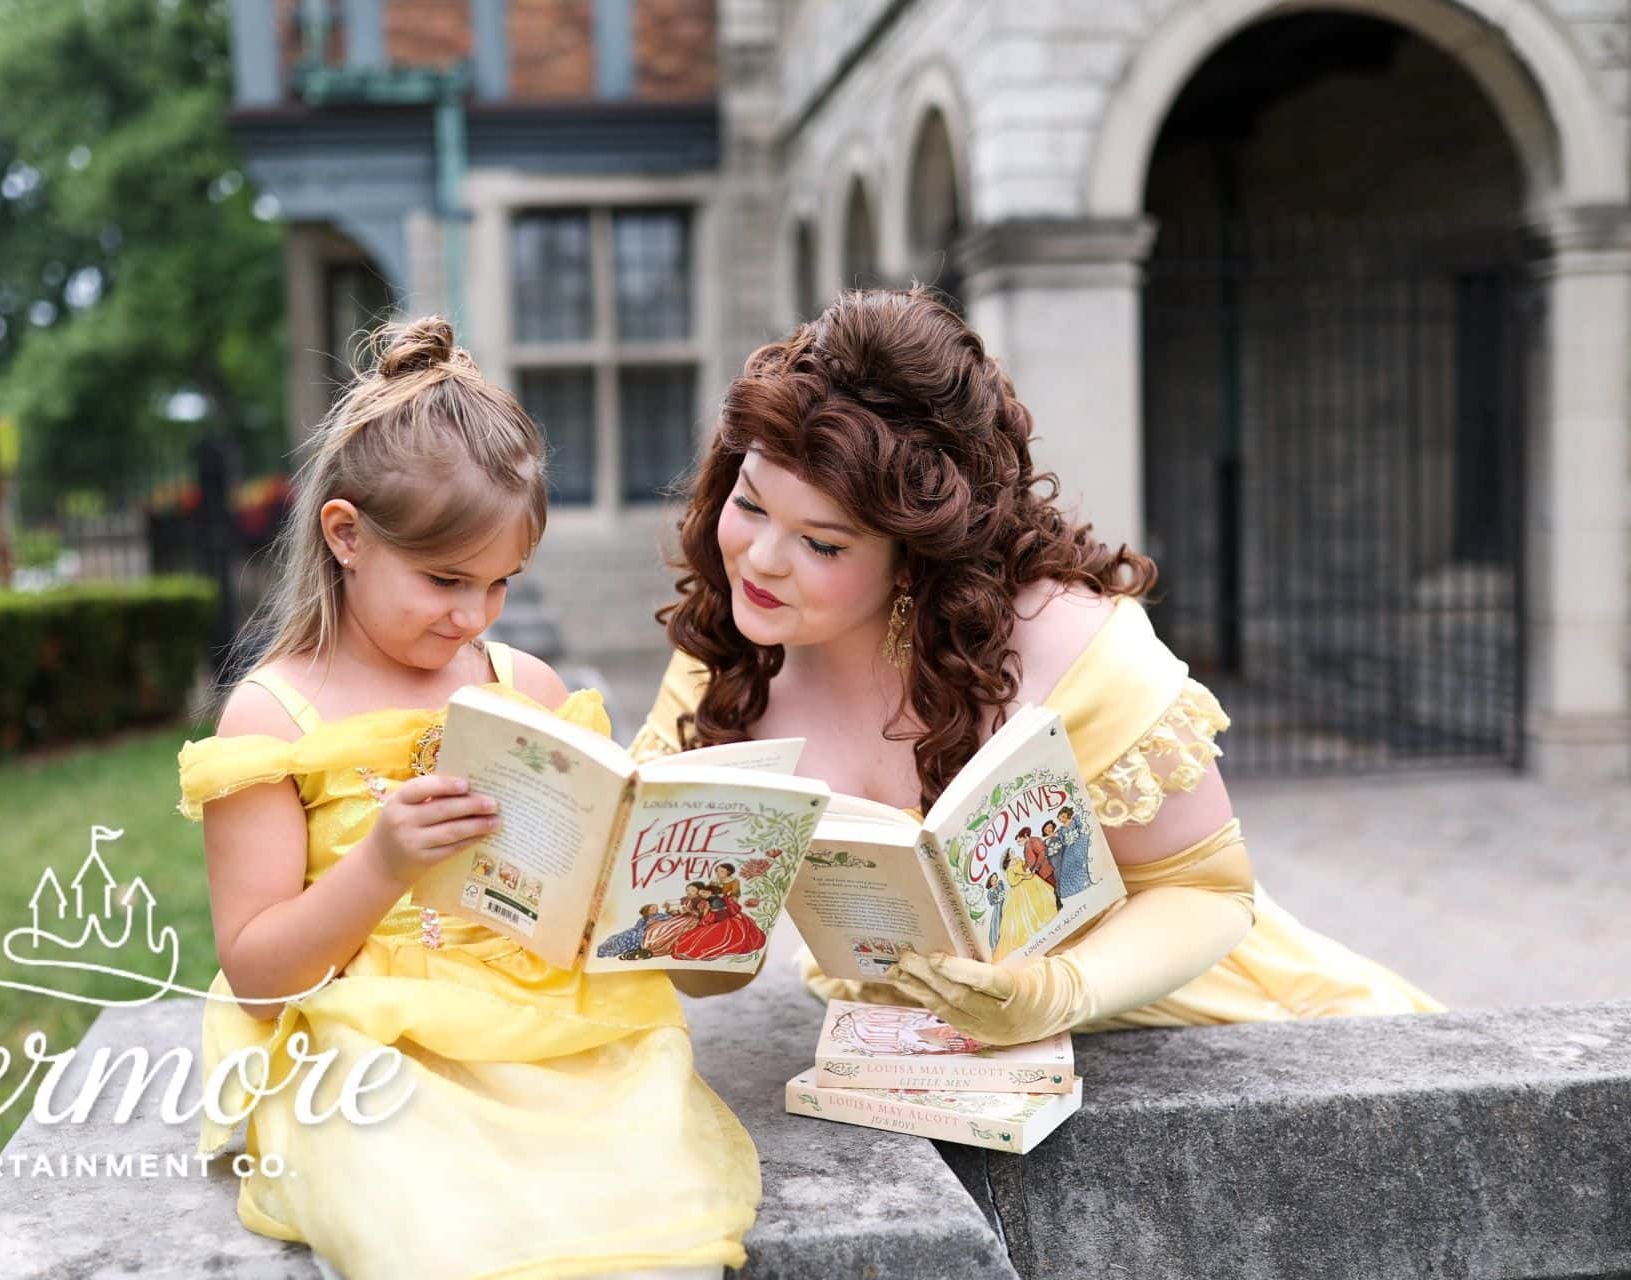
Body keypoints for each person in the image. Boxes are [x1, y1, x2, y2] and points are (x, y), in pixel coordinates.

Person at [628, 287, 1442, 1045]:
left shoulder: (1076, 649)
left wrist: (1059, 990)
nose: (761, 561)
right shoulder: (722, 662)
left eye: (822, 543)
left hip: (1202, 1024)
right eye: (751, 503)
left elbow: (1208, 894)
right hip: (933, 1062)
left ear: (916, 555)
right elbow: (703, 976)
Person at [177, 317, 754, 1279]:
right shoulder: (272, 718)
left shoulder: (519, 688)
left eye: (500, 584)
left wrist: (663, 885)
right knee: (430, 1209)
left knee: (641, 1195)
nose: (472, 616)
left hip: (549, 1025)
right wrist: (382, 866)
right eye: (445, 580)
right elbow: (259, 978)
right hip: (370, 1036)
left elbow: (580, 895)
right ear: (347, 535)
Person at [993, 849, 1058, 963]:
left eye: (1013, 852)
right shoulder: (1009, 869)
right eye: (1011, 853)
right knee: (1024, 910)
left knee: (1041, 896)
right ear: (1008, 856)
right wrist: (1022, 877)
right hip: (1020, 889)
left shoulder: (1018, 860)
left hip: (1030, 880)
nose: (1013, 854)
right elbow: (1012, 882)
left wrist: (1026, 871)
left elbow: (1025, 867)